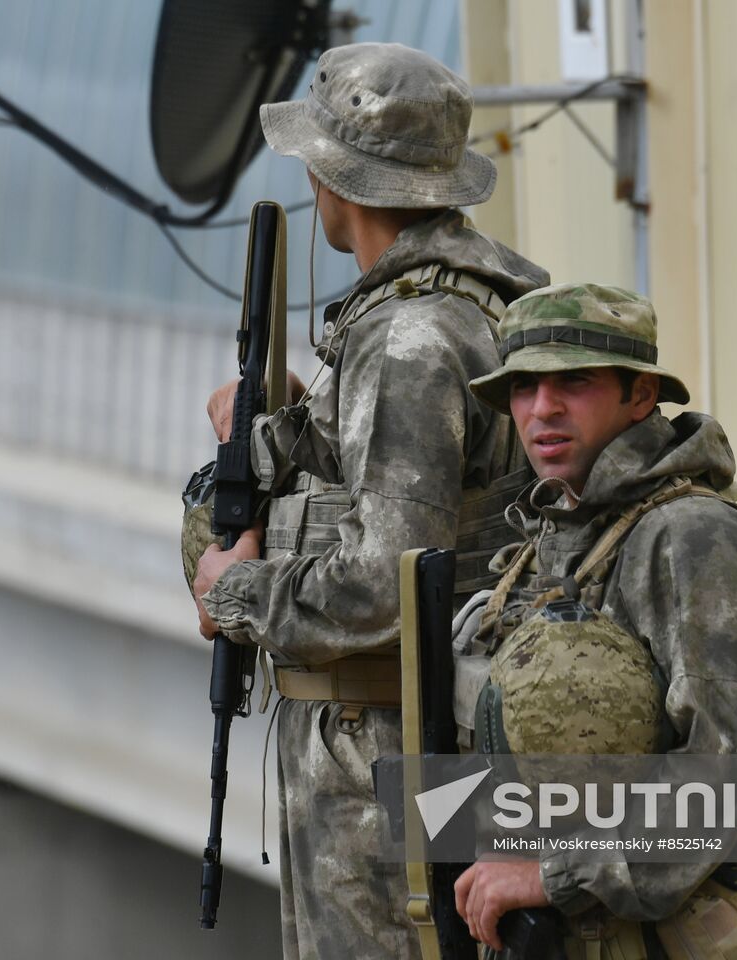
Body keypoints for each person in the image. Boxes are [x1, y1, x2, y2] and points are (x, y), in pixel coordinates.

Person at [192, 42, 548, 960]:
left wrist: (232, 592)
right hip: (431, 738)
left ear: (333, 182)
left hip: (388, 748)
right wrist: (267, 435)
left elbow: (390, 583)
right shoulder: (482, 303)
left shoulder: (408, 342)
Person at [452, 282, 737, 958]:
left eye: (576, 382)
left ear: (641, 396)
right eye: (524, 388)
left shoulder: (691, 538)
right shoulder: (553, 537)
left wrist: (554, 875)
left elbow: (731, 779)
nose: (543, 409)